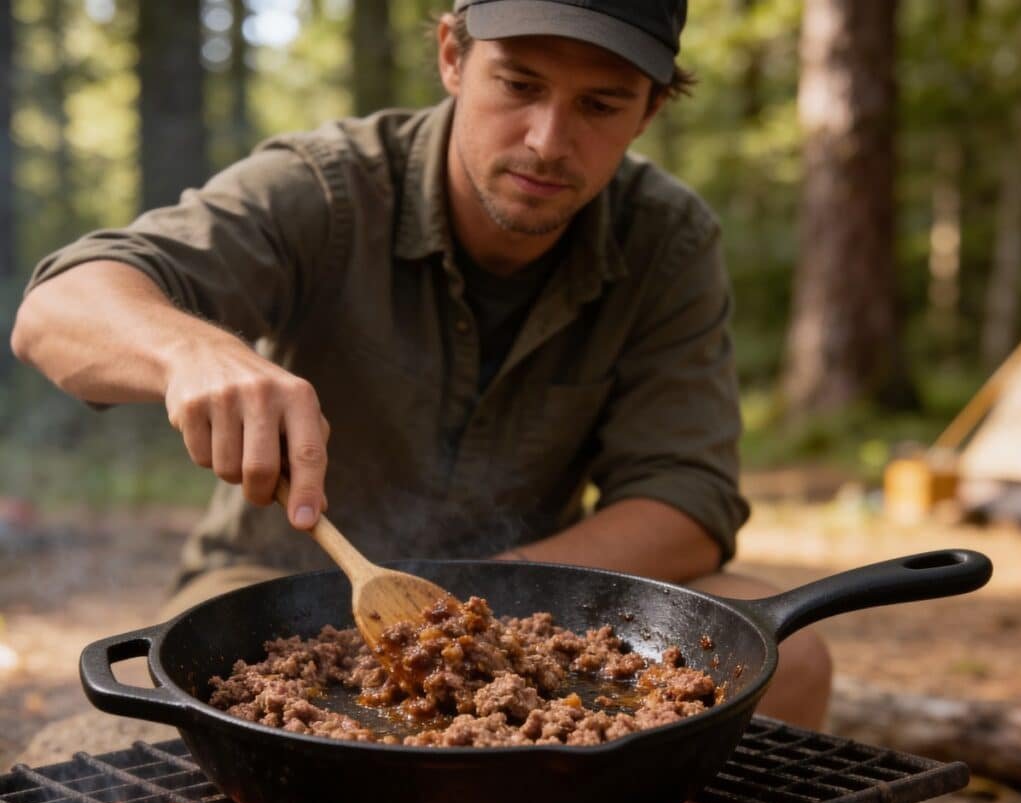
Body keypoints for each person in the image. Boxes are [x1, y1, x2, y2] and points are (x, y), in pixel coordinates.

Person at [10, 0, 831, 728]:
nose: (548, 139)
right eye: (518, 84)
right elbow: (56, 311)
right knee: (187, 727)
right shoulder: (328, 190)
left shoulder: (668, 242)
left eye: (600, 103)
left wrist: (487, 614)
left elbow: (687, 499)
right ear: (451, 56)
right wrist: (191, 349)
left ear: (648, 110)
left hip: (551, 594)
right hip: (277, 584)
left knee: (790, 664)